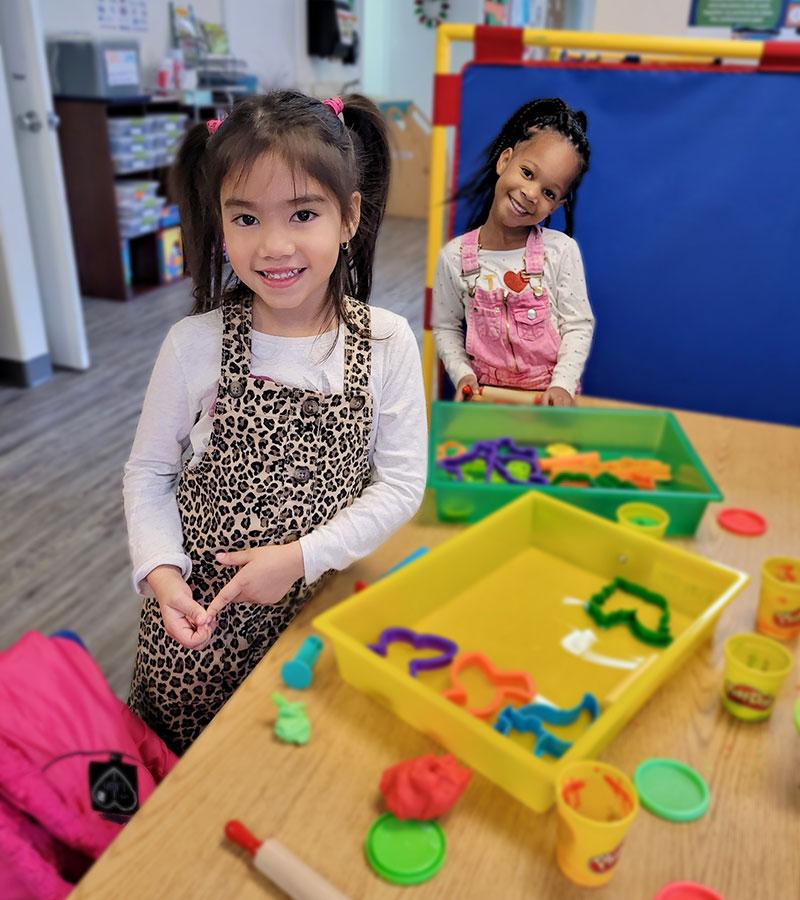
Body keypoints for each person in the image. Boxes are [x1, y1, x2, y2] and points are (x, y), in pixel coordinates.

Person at [123, 92, 427, 753]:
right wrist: (161, 573)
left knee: (298, 771)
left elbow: (402, 485)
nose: (275, 245)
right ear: (220, 225)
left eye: (304, 213)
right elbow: (148, 474)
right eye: (247, 218)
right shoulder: (192, 344)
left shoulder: (387, 342)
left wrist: (298, 558)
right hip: (201, 631)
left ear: (349, 217)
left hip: (322, 615)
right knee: (181, 793)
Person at [432, 97, 594, 405]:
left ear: (556, 205)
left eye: (549, 192)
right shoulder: (454, 257)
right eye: (528, 173)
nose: (531, 194)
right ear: (504, 161)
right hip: (487, 401)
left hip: (547, 404)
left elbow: (577, 325)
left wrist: (562, 386)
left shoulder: (560, 251)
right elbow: (445, 326)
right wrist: (462, 374)